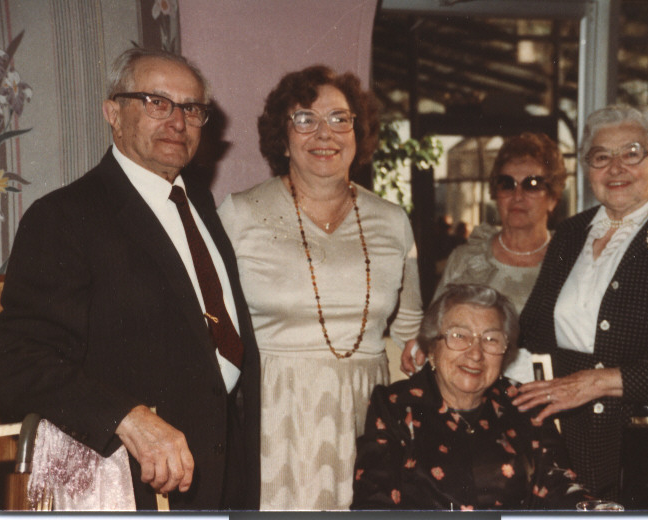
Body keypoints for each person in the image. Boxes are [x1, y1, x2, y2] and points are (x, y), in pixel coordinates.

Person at [0, 48, 260, 510]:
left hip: (223, 476)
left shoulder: (199, 204)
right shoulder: (65, 217)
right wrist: (127, 418)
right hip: (132, 484)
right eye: (157, 102)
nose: (177, 121)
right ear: (112, 113)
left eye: (192, 109)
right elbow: (12, 358)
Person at [217, 64, 422, 510]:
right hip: (274, 411)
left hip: (368, 413)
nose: (324, 134)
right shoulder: (240, 213)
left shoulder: (393, 221)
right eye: (305, 119)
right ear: (283, 137)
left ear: (359, 132)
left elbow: (411, 329)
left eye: (339, 119)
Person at [511, 104, 648, 499]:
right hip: (570, 445)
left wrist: (595, 383)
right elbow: (533, 333)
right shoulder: (570, 234)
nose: (615, 168)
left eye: (631, 153)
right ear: (587, 169)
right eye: (601, 156)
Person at [351, 284, 590, 510]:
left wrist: (595, 510)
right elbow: (374, 502)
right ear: (433, 345)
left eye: (490, 339)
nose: (475, 353)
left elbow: (561, 485)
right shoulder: (395, 406)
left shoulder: (524, 402)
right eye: (459, 336)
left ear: (505, 352)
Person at [402, 133, 566, 383]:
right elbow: (434, 337)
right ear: (495, 193)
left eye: (532, 184)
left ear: (553, 197)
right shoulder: (466, 259)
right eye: (506, 183)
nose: (517, 195)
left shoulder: (569, 260)